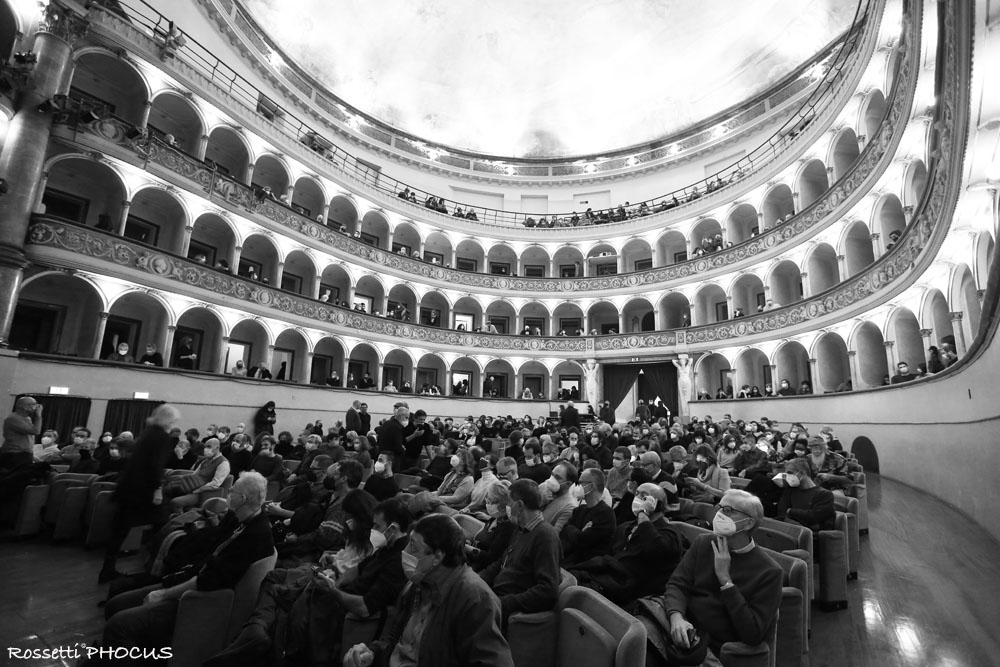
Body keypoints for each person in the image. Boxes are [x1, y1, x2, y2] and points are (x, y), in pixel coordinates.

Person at [98, 472, 274, 663]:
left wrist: (164, 594)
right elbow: (208, 551)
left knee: (118, 625)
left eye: (232, 491)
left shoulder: (256, 535)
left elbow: (209, 580)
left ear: (243, 499)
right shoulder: (237, 518)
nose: (228, 493)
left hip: (200, 600)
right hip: (189, 580)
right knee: (115, 604)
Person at [343, 514, 513, 667]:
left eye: (413, 547)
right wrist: (373, 654)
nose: (405, 552)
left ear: (438, 557)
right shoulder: (418, 583)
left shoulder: (476, 600)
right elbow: (397, 639)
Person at [651, 489, 782, 664]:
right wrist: (676, 616)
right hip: (678, 624)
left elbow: (753, 634)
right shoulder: (704, 542)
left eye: (728, 511)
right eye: (719, 508)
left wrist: (726, 580)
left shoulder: (769, 572)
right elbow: (677, 583)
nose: (719, 514)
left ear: (748, 523)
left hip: (710, 647)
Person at [99, 404, 180, 583]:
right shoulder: (161, 437)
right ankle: (154, 566)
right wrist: (157, 488)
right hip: (142, 491)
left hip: (129, 488)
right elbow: (155, 465)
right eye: (173, 420)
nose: (174, 424)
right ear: (166, 419)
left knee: (119, 531)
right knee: (162, 523)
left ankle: (107, 569)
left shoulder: (147, 432)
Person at [568, 483, 686, 607]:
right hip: (606, 577)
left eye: (644, 496)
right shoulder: (626, 527)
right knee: (569, 579)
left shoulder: (670, 535)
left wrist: (643, 514)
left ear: (657, 504)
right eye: (636, 494)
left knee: (573, 592)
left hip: (631, 589)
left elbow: (655, 548)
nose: (637, 498)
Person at [479, 479, 562, 624]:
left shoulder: (545, 536)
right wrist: (478, 580)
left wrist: (502, 602)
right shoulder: (520, 529)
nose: (507, 507)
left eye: (509, 503)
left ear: (519, 505)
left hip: (507, 606)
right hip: (495, 595)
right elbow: (502, 563)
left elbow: (547, 591)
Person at [561, 468, 617, 566]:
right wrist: (576, 531)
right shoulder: (579, 510)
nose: (577, 486)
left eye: (581, 483)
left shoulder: (606, 514)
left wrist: (572, 530)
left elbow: (583, 541)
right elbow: (564, 530)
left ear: (591, 486)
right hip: (570, 558)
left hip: (587, 565)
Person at [0, 395, 43, 469]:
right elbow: (36, 431)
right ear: (25, 407)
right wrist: (38, 416)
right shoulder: (13, 418)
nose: (37, 407)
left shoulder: (27, 418)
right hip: (15, 454)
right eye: (34, 405)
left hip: (24, 453)